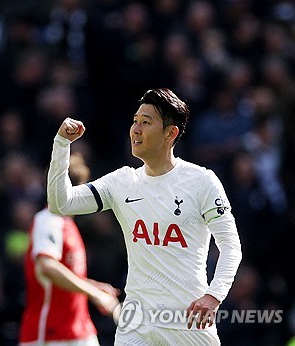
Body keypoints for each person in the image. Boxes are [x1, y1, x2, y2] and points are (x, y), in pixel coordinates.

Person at [47, 88, 242, 345]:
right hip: (136, 324)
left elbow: (230, 245)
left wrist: (214, 295)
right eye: (135, 121)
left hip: (187, 320)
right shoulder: (122, 181)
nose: (136, 129)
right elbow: (61, 203)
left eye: (146, 122)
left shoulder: (201, 181)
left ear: (170, 133)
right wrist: (62, 144)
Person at [19, 152, 121, 346]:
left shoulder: (68, 224)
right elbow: (47, 266)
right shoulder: (48, 220)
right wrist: (94, 293)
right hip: (50, 333)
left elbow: (62, 274)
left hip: (77, 330)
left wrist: (91, 285)